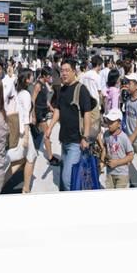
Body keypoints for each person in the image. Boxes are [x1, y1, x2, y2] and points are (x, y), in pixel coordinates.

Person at [45, 59, 93, 191]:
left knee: (67, 180)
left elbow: (87, 114)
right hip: (64, 140)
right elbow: (58, 110)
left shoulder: (81, 89)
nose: (64, 73)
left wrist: (85, 137)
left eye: (67, 70)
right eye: (62, 70)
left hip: (76, 142)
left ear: (74, 72)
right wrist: (50, 127)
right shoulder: (62, 89)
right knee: (68, 177)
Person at [6, 69, 38, 193]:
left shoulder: (18, 92)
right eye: (31, 76)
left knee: (24, 158)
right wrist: (26, 135)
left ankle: (0, 182)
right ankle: (25, 188)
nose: (33, 78)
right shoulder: (25, 94)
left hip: (18, 128)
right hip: (24, 130)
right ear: (26, 79)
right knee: (31, 157)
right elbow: (25, 115)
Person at [32, 66, 60, 166]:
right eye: (49, 76)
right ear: (44, 76)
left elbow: (45, 99)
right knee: (47, 133)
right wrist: (34, 115)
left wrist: (52, 108)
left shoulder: (45, 84)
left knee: (40, 133)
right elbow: (33, 100)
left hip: (44, 110)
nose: (50, 78)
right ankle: (50, 157)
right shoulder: (38, 85)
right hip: (39, 112)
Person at [101, 108, 134, 189]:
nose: (109, 124)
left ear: (119, 123)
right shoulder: (106, 134)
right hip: (110, 173)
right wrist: (102, 162)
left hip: (122, 174)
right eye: (108, 121)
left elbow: (130, 156)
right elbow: (105, 147)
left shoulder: (124, 137)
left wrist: (117, 162)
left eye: (112, 122)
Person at [79, 54, 103, 141]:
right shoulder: (97, 77)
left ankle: (84, 139)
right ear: (99, 65)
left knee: (85, 123)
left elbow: (80, 87)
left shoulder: (85, 75)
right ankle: (93, 143)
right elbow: (99, 92)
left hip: (84, 103)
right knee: (95, 126)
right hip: (95, 104)